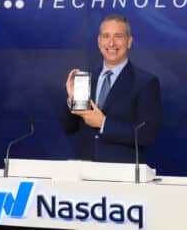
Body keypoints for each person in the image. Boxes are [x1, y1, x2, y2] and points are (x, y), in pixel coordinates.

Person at [60, 14, 162, 163]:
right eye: (106, 36)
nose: (111, 43)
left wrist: (103, 123)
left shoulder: (146, 82)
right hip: (85, 174)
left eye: (118, 36)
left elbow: (148, 134)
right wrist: (71, 100)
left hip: (122, 176)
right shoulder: (86, 79)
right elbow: (68, 128)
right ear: (99, 41)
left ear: (129, 41)